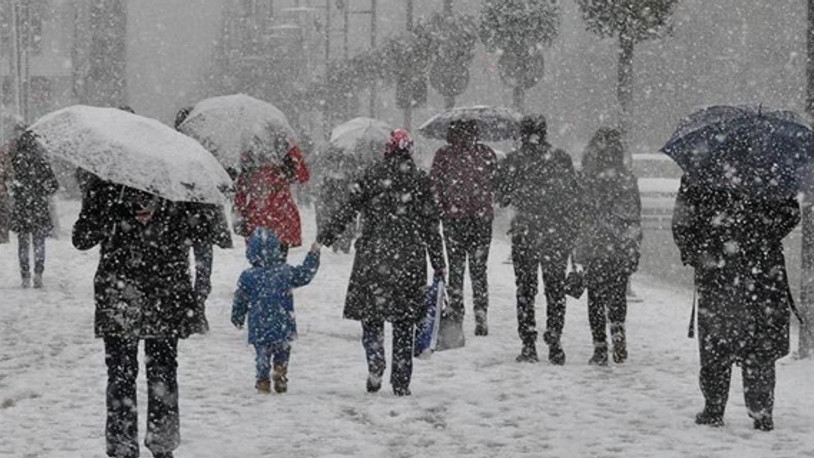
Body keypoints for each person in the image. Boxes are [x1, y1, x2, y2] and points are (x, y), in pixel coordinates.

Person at [73, 177, 207, 458]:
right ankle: (123, 448)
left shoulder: (178, 186)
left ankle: (162, 443)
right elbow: (81, 238)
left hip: (165, 294)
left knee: (163, 372)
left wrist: (167, 214)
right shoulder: (106, 185)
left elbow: (202, 233)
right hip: (119, 296)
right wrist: (112, 213)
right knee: (122, 374)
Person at [318, 129, 446, 396]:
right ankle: (401, 381)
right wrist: (438, 262)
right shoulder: (421, 181)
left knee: (372, 315)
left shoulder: (371, 175)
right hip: (409, 259)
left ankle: (375, 362)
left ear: (388, 149)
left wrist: (325, 236)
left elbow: (348, 208)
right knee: (404, 322)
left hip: (373, 256)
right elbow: (432, 227)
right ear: (409, 152)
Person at [672, 175, 798, 432]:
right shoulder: (769, 167)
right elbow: (790, 214)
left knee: (716, 342)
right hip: (762, 271)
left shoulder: (701, 170)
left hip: (717, 269)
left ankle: (714, 408)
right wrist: (762, 233)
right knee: (760, 342)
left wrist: (699, 251)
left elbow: (682, 222)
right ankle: (761, 411)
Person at [496, 115, 581, 364]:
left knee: (525, 290)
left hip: (526, 232)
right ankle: (555, 340)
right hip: (556, 233)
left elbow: (501, 197)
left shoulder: (514, 161)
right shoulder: (561, 158)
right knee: (555, 290)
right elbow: (574, 195)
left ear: (523, 134)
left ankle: (528, 343)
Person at [574, 128, 642, 366]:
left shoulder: (588, 179)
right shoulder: (627, 179)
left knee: (595, 296)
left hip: (596, 245)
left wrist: (579, 245)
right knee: (617, 293)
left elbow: (579, 214)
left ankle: (600, 346)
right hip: (620, 245)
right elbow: (635, 215)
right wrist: (633, 245)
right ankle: (618, 329)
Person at [231, 228, 321, 394]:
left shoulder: (248, 276)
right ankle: (280, 371)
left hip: (259, 324)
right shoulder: (285, 272)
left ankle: (263, 379)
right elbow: (304, 275)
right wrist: (313, 255)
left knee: (262, 354)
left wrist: (237, 317)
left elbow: (240, 299)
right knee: (283, 350)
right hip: (283, 321)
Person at [430, 119, 497, 336]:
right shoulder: (486, 154)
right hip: (481, 219)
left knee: (456, 268)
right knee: (479, 269)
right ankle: (481, 311)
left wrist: (442, 210)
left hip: (454, 219)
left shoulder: (444, 155)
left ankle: (457, 311)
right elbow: (497, 183)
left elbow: (435, 186)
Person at [174, 107, 233, 327]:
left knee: (185, 265)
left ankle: (192, 307)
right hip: (200, 216)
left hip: (182, 216)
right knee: (200, 265)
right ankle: (196, 308)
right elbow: (224, 182)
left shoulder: (174, 148)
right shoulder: (207, 150)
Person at [234, 133, 310, 256]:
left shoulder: (251, 158)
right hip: (281, 216)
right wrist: (293, 153)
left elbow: (241, 193)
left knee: (258, 262)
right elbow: (304, 176)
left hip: (257, 218)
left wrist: (239, 214)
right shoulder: (286, 156)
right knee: (279, 262)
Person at [9, 129, 59, 288]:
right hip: (39, 207)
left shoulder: (16, 161)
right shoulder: (41, 161)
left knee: (23, 243)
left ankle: (25, 274)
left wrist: (19, 190)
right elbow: (53, 186)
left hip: (22, 208)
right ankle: (38, 273)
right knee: (39, 242)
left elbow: (12, 185)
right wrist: (42, 189)